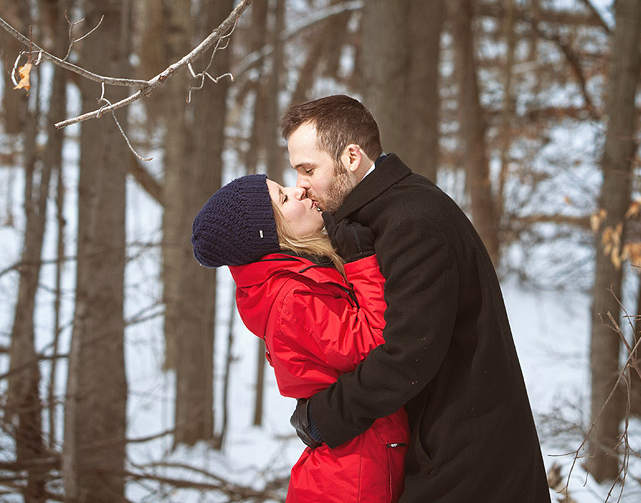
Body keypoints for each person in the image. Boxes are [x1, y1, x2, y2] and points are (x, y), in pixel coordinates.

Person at [282, 95, 551, 503]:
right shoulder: (382, 216)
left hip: (468, 463)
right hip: (445, 449)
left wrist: (326, 416)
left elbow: (408, 354)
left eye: (308, 168)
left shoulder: (412, 221)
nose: (300, 183)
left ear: (351, 157)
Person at [191, 173, 409, 503]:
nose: (298, 190)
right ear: (271, 236)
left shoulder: (302, 275)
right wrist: (362, 258)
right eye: (283, 198)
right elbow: (376, 345)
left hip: (362, 457)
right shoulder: (291, 300)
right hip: (351, 479)